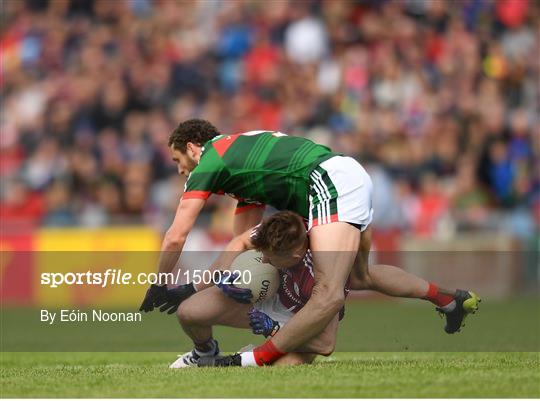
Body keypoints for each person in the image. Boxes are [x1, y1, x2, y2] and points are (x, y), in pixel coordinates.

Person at [139, 119, 480, 368]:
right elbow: (241, 243)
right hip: (343, 177)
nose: (180, 170)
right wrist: (195, 288)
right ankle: (448, 300)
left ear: (193, 148)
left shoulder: (211, 162)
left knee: (328, 294)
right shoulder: (240, 164)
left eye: (177, 161)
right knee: (359, 277)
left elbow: (176, 234)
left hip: (329, 183)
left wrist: (159, 283)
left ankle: (252, 360)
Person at [169, 211, 342, 368]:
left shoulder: (323, 274)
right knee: (188, 311)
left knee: (284, 366)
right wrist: (223, 273)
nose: (264, 260)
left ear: (294, 256)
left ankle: (244, 358)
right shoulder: (281, 227)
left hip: (302, 318)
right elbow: (241, 241)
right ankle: (204, 353)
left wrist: (273, 328)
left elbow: (325, 344)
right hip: (269, 299)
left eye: (271, 257)